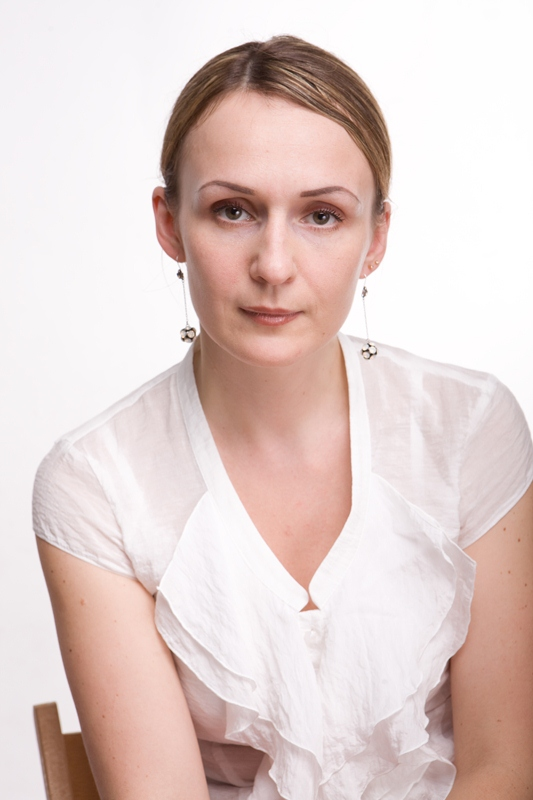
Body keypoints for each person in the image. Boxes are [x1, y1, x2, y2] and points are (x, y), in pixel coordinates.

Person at [33, 36, 533, 800]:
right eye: (232, 211)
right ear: (169, 223)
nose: (273, 265)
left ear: (376, 237)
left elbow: (502, 769)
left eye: (321, 216)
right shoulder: (95, 483)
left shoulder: (467, 428)